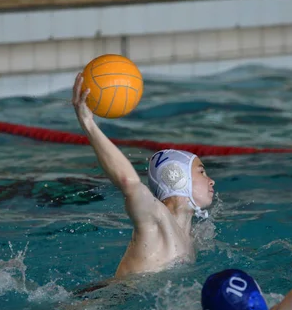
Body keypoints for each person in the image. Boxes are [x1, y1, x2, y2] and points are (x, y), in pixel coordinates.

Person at [71, 74, 215, 278]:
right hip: (109, 303)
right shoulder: (156, 218)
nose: (211, 180)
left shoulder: (192, 236)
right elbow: (127, 182)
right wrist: (88, 123)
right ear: (177, 177)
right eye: (201, 172)